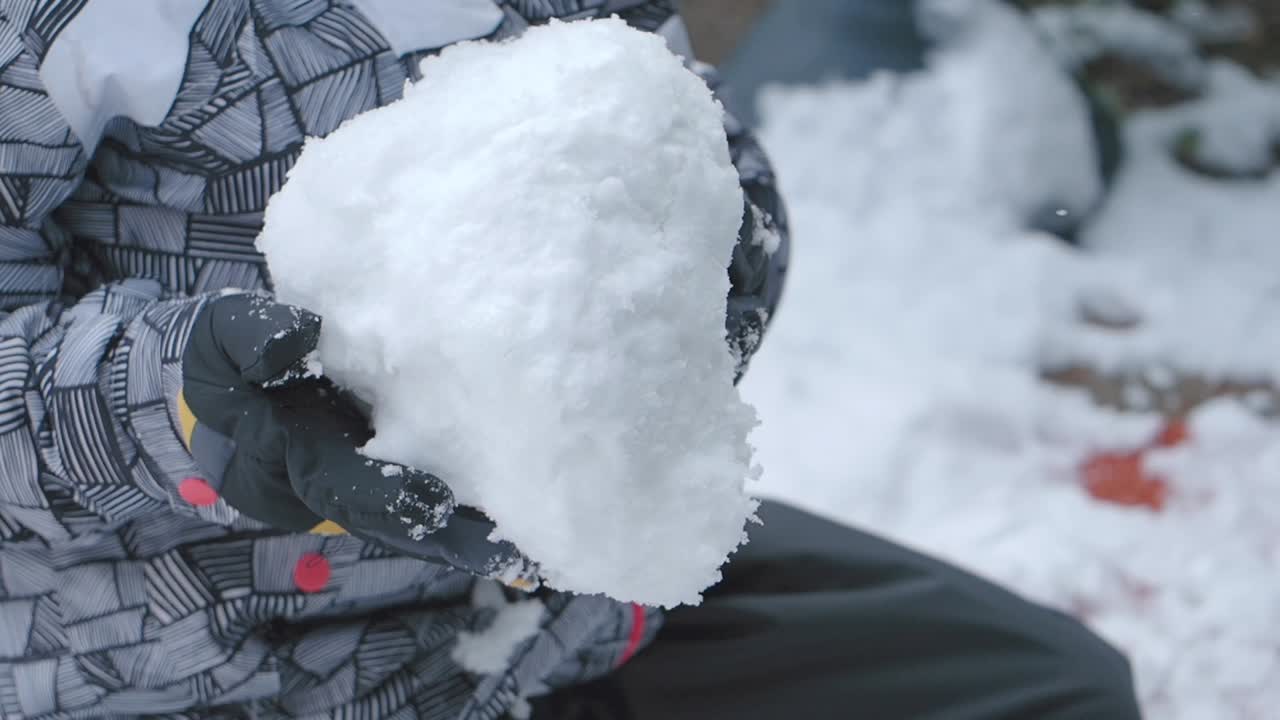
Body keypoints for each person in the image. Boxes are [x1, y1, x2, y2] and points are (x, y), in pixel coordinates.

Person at [0, 1, 1139, 718]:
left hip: (560, 616)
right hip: (188, 661)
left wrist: (728, 238)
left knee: (1045, 689)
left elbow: (670, 117)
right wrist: (179, 400)